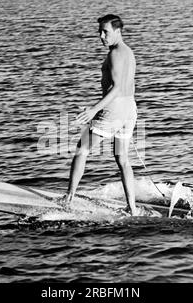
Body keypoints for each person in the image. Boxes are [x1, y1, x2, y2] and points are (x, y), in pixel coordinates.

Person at [58, 14, 140, 216]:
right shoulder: (128, 52)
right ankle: (132, 207)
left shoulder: (114, 54)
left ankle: (68, 198)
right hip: (130, 108)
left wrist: (94, 109)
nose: (102, 36)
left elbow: (117, 88)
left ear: (118, 31)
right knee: (123, 159)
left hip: (115, 108)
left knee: (82, 149)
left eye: (106, 32)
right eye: (100, 32)